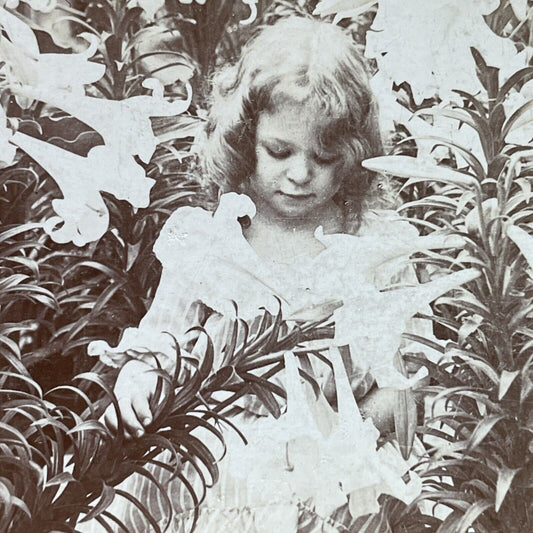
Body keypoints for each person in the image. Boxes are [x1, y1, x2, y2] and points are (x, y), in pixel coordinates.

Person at [86, 15, 471, 533]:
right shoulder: (216, 237)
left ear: (354, 157)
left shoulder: (377, 245)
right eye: (280, 151)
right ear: (247, 139)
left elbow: (408, 380)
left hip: (335, 477)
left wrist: (337, 433)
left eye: (325, 157)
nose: (299, 173)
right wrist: (138, 385)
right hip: (214, 464)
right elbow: (160, 342)